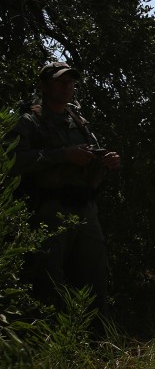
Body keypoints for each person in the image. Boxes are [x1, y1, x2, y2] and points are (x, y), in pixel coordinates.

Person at [11, 61, 121, 315]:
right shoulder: (29, 121)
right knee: (47, 279)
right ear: (44, 85)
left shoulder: (77, 121)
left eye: (70, 82)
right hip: (48, 209)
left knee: (94, 276)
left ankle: (96, 342)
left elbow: (91, 153)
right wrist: (62, 155)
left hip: (84, 207)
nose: (66, 87)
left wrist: (107, 161)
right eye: (60, 82)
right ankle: (48, 343)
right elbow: (14, 160)